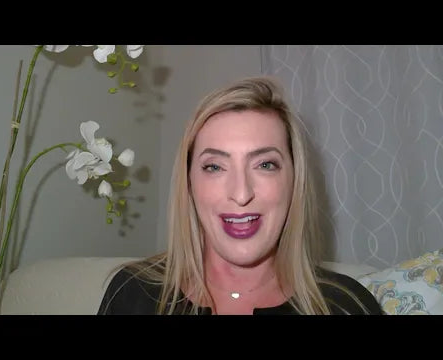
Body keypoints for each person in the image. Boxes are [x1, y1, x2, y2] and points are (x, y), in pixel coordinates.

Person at [97, 76, 383, 315]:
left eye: (265, 165)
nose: (241, 193)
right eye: (214, 167)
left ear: (294, 180)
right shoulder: (132, 293)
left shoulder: (347, 305)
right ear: (189, 184)